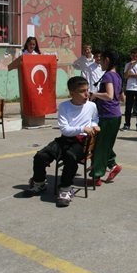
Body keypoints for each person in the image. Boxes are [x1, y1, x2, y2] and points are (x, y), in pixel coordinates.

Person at [26, 76, 100, 207]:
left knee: (70, 157)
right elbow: (65, 130)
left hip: (81, 142)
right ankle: (39, 183)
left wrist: (94, 125)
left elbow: (94, 118)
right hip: (65, 139)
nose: (87, 94)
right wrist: (82, 128)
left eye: (87, 90)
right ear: (72, 93)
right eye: (82, 91)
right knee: (40, 156)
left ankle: (65, 189)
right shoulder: (64, 106)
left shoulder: (92, 106)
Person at [90, 49, 124, 185]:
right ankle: (113, 165)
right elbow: (122, 97)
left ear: (107, 60)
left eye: (102, 60)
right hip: (115, 115)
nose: (100, 63)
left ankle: (96, 176)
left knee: (99, 146)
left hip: (107, 116)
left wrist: (94, 94)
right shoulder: (118, 76)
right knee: (105, 143)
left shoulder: (108, 76)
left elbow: (109, 95)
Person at [122, 47, 137, 132]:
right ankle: (127, 124)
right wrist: (130, 67)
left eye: (136, 56)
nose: (134, 58)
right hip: (130, 88)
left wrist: (130, 75)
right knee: (128, 107)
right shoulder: (128, 64)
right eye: (133, 56)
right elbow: (125, 76)